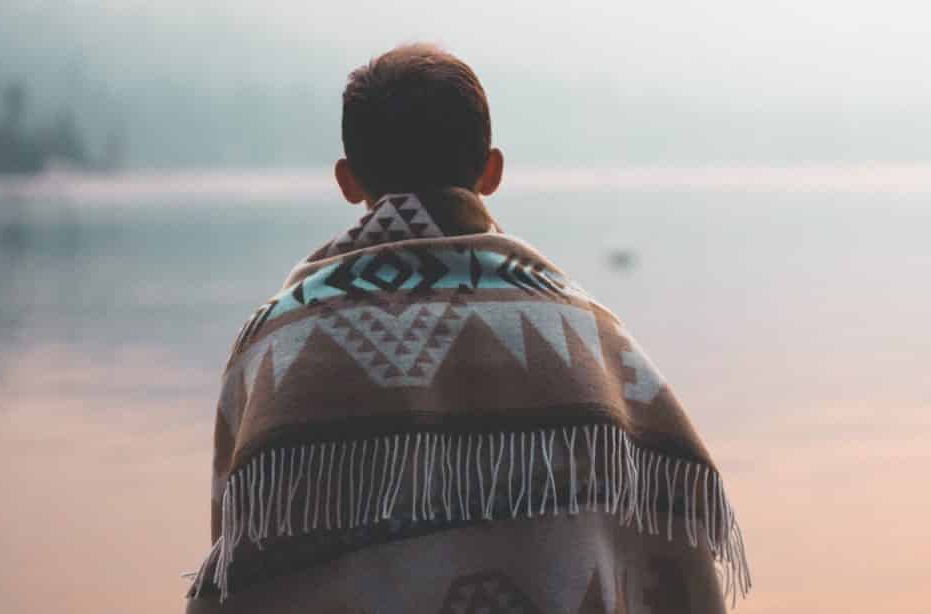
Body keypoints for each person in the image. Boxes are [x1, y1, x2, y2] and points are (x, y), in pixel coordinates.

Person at [186, 43, 749, 614]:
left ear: (348, 179)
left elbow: (236, 572)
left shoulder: (276, 347)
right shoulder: (590, 337)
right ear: (492, 170)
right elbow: (676, 564)